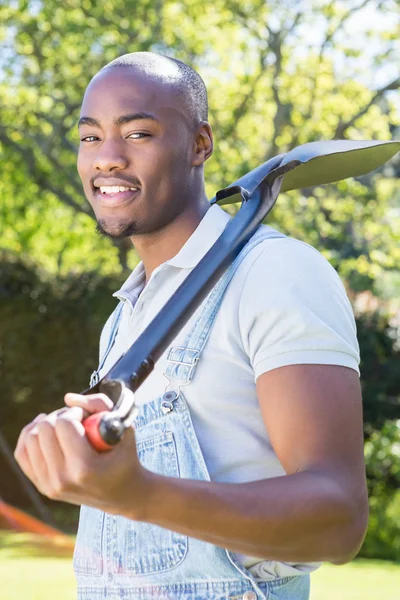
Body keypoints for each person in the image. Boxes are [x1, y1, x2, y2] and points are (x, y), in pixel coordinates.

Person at [14, 52, 368, 600]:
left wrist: (139, 493)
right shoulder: (124, 317)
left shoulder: (275, 272)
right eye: (90, 137)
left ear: (199, 145)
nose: (107, 158)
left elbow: (339, 519)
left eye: (137, 133)